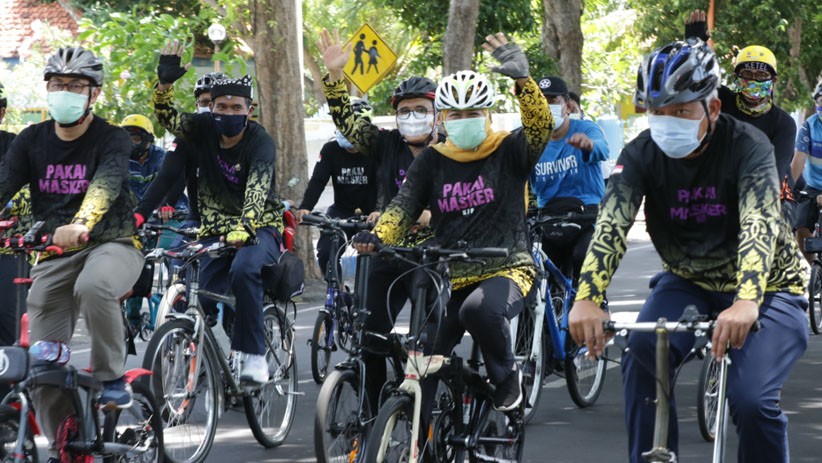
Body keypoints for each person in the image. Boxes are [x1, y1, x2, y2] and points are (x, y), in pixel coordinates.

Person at [568, 38, 807, 463]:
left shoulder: (748, 146)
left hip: (770, 288)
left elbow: (759, 223)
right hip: (689, 281)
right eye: (658, 113)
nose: (667, 122)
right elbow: (612, 223)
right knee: (641, 361)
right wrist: (587, 297)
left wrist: (747, 300)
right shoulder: (641, 153)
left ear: (712, 108)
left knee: (751, 401)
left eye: (681, 111)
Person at [354, 32, 552, 413]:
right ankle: (421, 438)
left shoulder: (510, 150)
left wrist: (523, 83)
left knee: (478, 310)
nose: (465, 121)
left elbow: (540, 127)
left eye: (474, 113)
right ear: (442, 119)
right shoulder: (431, 160)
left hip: (507, 268)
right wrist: (377, 236)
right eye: (456, 115)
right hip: (451, 275)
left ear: (489, 115)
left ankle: (507, 377)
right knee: (422, 362)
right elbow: (403, 206)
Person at [0, 47, 145, 462]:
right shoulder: (31, 140)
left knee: (95, 285)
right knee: (43, 367)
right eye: (58, 84)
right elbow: (4, 184)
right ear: (48, 89)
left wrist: (83, 222)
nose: (65, 92)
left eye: (75, 86)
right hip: (54, 255)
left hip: (112, 244)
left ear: (93, 94)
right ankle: (67, 443)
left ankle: (112, 377)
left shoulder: (112, 137)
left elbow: (106, 183)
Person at [319, 28, 442, 409]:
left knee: (430, 347)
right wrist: (336, 78)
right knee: (369, 337)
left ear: (437, 113)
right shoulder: (386, 143)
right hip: (387, 253)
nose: (412, 117)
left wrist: (430, 214)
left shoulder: (454, 150)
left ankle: (429, 420)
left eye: (420, 109)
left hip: (435, 257)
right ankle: (372, 419)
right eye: (404, 110)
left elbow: (466, 201)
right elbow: (348, 123)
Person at [149, 40, 284, 384]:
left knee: (244, 268)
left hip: (258, 229)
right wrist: (163, 85)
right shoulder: (202, 128)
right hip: (212, 231)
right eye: (220, 106)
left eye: (235, 106)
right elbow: (167, 118)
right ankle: (197, 359)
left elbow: (257, 188)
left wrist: (246, 225)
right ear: (213, 109)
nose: (227, 112)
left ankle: (254, 355)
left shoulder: (260, 141)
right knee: (197, 291)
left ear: (249, 110)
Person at [685, 10, 796, 184]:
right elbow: (693, 82)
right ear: (735, 78)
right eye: (747, 74)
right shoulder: (720, 101)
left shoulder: (784, 124)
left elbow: (773, 176)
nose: (753, 81)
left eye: (760, 76)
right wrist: (695, 47)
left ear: (774, 80)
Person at [530, 75, 609, 284]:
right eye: (541, 101)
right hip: (549, 220)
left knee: (583, 258)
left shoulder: (585, 128)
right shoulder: (529, 142)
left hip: (587, 217)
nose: (546, 107)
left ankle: (596, 306)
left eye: (553, 101)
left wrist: (589, 145)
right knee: (535, 269)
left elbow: (602, 149)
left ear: (568, 105)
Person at [120, 114, 188, 326]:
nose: (131, 144)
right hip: (138, 220)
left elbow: (171, 181)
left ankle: (178, 305)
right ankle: (131, 321)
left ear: (148, 140)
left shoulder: (162, 157)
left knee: (174, 256)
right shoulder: (118, 160)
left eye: (136, 139)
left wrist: (168, 204)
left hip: (170, 215)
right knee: (131, 268)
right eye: (126, 139)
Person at [296, 98, 377, 274]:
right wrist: (306, 207)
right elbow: (318, 181)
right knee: (326, 253)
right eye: (341, 124)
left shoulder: (377, 149)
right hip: (341, 211)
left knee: (380, 257)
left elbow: (387, 181)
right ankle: (339, 293)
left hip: (373, 212)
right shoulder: (330, 150)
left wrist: (380, 209)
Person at [791, 79, 822, 263]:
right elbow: (798, 160)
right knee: (801, 225)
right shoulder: (809, 126)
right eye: (821, 101)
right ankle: (814, 272)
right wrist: (786, 191)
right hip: (812, 185)